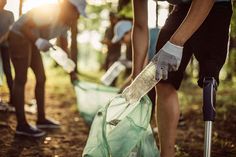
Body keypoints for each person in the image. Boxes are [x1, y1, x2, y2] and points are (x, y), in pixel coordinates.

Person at [132, 0, 232, 157]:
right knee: (163, 78)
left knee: (209, 78)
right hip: (181, 9)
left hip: (215, 5)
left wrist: (176, 42)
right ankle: (167, 154)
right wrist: (136, 76)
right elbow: (139, 26)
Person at [8, 0, 87, 137]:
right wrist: (38, 41)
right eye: (77, 12)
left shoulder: (66, 22)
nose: (78, 17)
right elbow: (25, 27)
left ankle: (41, 119)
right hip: (19, 36)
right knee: (21, 78)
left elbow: (64, 44)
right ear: (69, 7)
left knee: (41, 78)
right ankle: (21, 125)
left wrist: (71, 70)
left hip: (32, 40)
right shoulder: (50, 12)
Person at [0, 0, 14, 107]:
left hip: (5, 46)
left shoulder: (9, 14)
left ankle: (13, 98)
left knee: (7, 71)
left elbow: (11, 29)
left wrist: (3, 39)